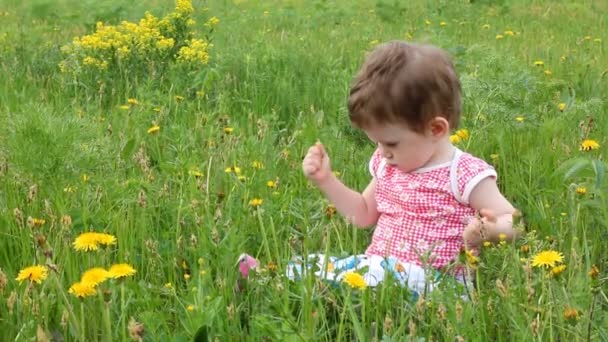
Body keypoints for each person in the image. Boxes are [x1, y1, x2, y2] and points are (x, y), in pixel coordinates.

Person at [295, 41, 518, 294]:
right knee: (317, 265)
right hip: (382, 269)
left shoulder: (463, 173)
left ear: (435, 129)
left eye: (391, 142)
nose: (382, 151)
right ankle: (274, 278)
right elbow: (364, 214)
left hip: (438, 283)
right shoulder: (388, 165)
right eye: (376, 141)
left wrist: (490, 230)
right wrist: (326, 180)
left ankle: (320, 285)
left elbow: (514, 222)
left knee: (357, 276)